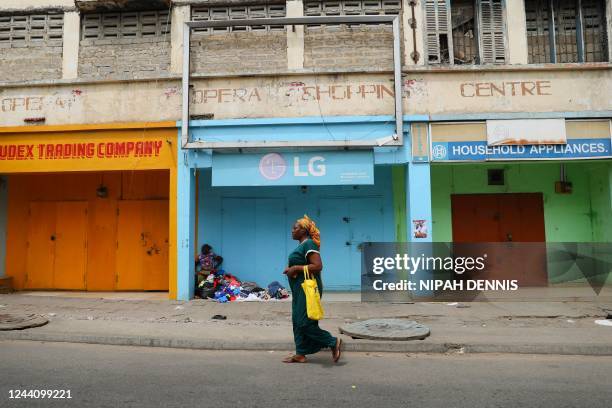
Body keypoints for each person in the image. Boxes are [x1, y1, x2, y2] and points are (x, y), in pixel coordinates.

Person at [282, 215, 342, 363]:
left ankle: (332, 342)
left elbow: (317, 266)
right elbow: (303, 264)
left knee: (304, 322)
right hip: (298, 288)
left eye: (295, 228)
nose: (292, 230)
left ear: (303, 230)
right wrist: (290, 269)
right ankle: (300, 353)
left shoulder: (309, 244)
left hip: (307, 288)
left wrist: (295, 267)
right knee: (297, 320)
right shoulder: (302, 245)